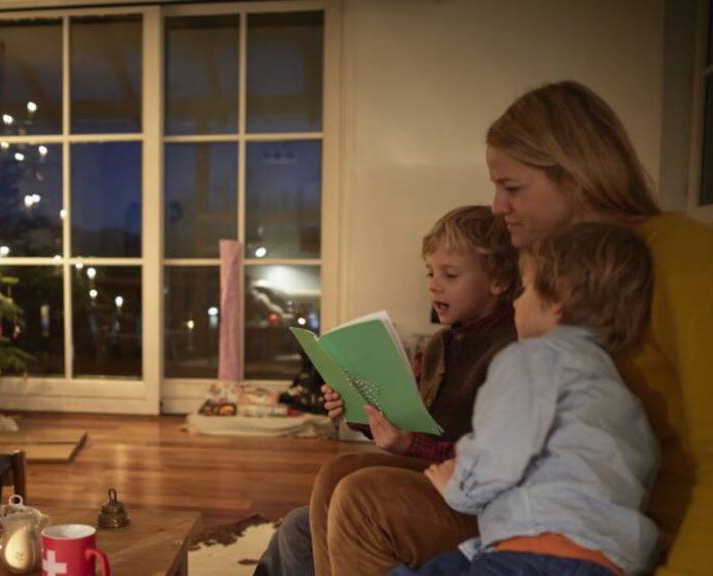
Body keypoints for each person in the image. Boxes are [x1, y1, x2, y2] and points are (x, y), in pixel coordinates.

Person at [315, 80, 713, 576]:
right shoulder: (550, 284)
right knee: (342, 472)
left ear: (575, 176)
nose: (498, 206)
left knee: (362, 498)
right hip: (558, 495)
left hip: (586, 525)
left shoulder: (680, 254)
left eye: (512, 187)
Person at [254, 205, 520, 576]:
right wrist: (358, 408)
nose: (433, 284)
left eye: (450, 274)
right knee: (335, 472)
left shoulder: (512, 350)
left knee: (353, 492)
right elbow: (403, 417)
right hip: (430, 471)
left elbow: (486, 455)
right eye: (430, 272)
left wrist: (409, 444)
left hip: (471, 497)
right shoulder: (439, 345)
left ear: (498, 281)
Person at [391, 222, 659, 576]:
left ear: (558, 299)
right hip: (609, 562)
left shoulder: (533, 358)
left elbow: (499, 448)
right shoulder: (621, 392)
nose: (516, 301)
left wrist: (456, 485)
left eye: (526, 288)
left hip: (537, 553)